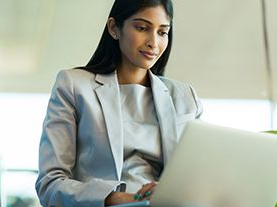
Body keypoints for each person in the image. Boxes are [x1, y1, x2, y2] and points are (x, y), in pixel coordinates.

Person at [35, 0, 203, 206]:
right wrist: (117, 199)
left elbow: (198, 182)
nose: (153, 42)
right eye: (142, 28)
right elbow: (50, 184)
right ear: (114, 28)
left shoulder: (186, 97)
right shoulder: (73, 86)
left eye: (162, 32)